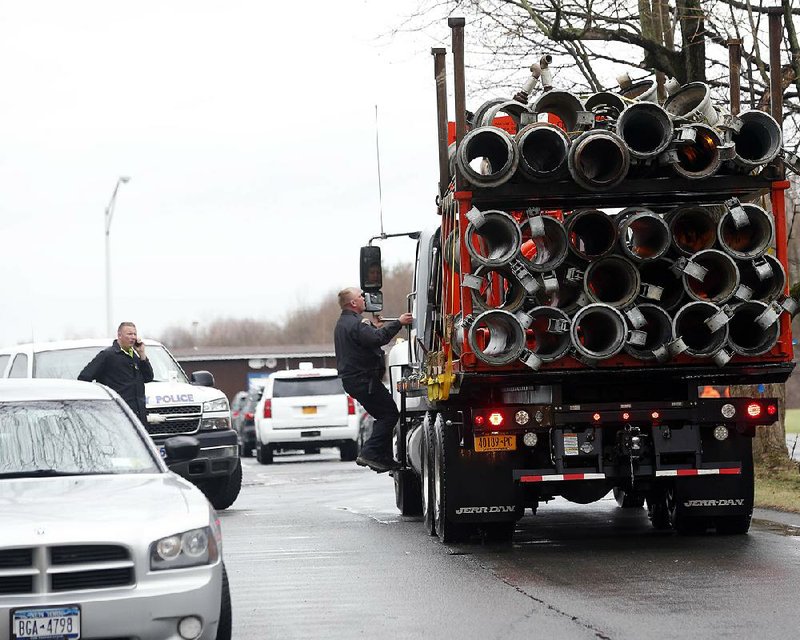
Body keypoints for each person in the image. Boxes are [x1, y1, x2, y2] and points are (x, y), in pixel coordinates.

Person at [334, 287, 412, 473]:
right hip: (363, 380)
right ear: (353, 303)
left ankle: (382, 458)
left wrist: (371, 327)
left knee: (383, 415)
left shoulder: (344, 323)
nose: (364, 298)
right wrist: (399, 323)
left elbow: (366, 339)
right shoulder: (357, 323)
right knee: (389, 414)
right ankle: (370, 453)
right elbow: (378, 339)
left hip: (356, 380)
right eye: (360, 296)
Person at [78, 322, 154, 423]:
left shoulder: (135, 356)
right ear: (119, 335)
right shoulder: (108, 355)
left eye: (135, 334)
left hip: (138, 416)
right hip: (117, 415)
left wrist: (142, 355)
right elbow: (84, 378)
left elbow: (148, 377)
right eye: (129, 334)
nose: (133, 337)